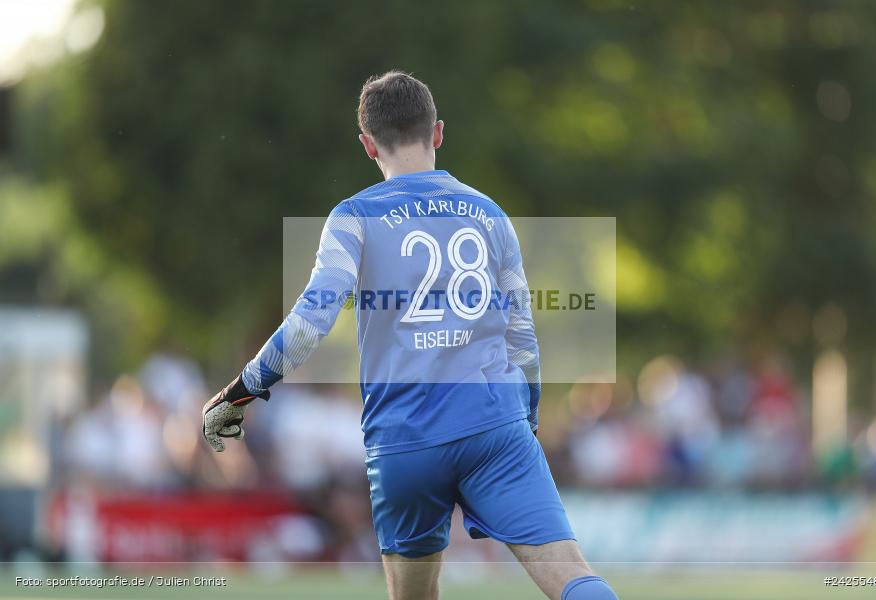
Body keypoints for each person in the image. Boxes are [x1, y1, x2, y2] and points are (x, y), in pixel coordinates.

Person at [201, 71, 618, 600]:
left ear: (368, 144)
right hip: (494, 426)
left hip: (404, 440)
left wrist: (238, 393)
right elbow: (523, 338)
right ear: (437, 132)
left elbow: (310, 322)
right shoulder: (490, 214)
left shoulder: (353, 217)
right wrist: (526, 419)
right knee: (575, 580)